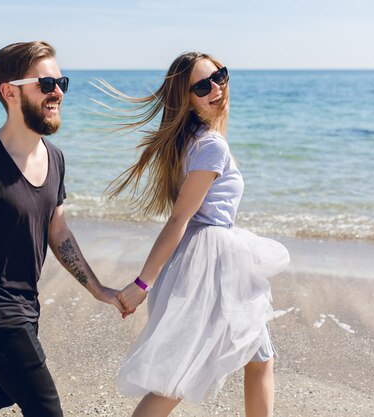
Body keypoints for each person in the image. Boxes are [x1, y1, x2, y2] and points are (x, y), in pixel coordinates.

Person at [0, 41, 125, 417]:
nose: (58, 91)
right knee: (46, 409)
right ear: (10, 91)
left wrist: (99, 290)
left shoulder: (55, 158)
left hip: (26, 305)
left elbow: (58, 232)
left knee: (3, 389)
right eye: (46, 84)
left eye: (61, 81)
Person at [97, 52, 290, 417]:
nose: (216, 89)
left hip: (206, 259)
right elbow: (178, 220)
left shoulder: (192, 139)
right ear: (185, 99)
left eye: (220, 76)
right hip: (211, 267)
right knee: (179, 377)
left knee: (260, 357)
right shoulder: (210, 145)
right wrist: (141, 286)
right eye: (202, 86)